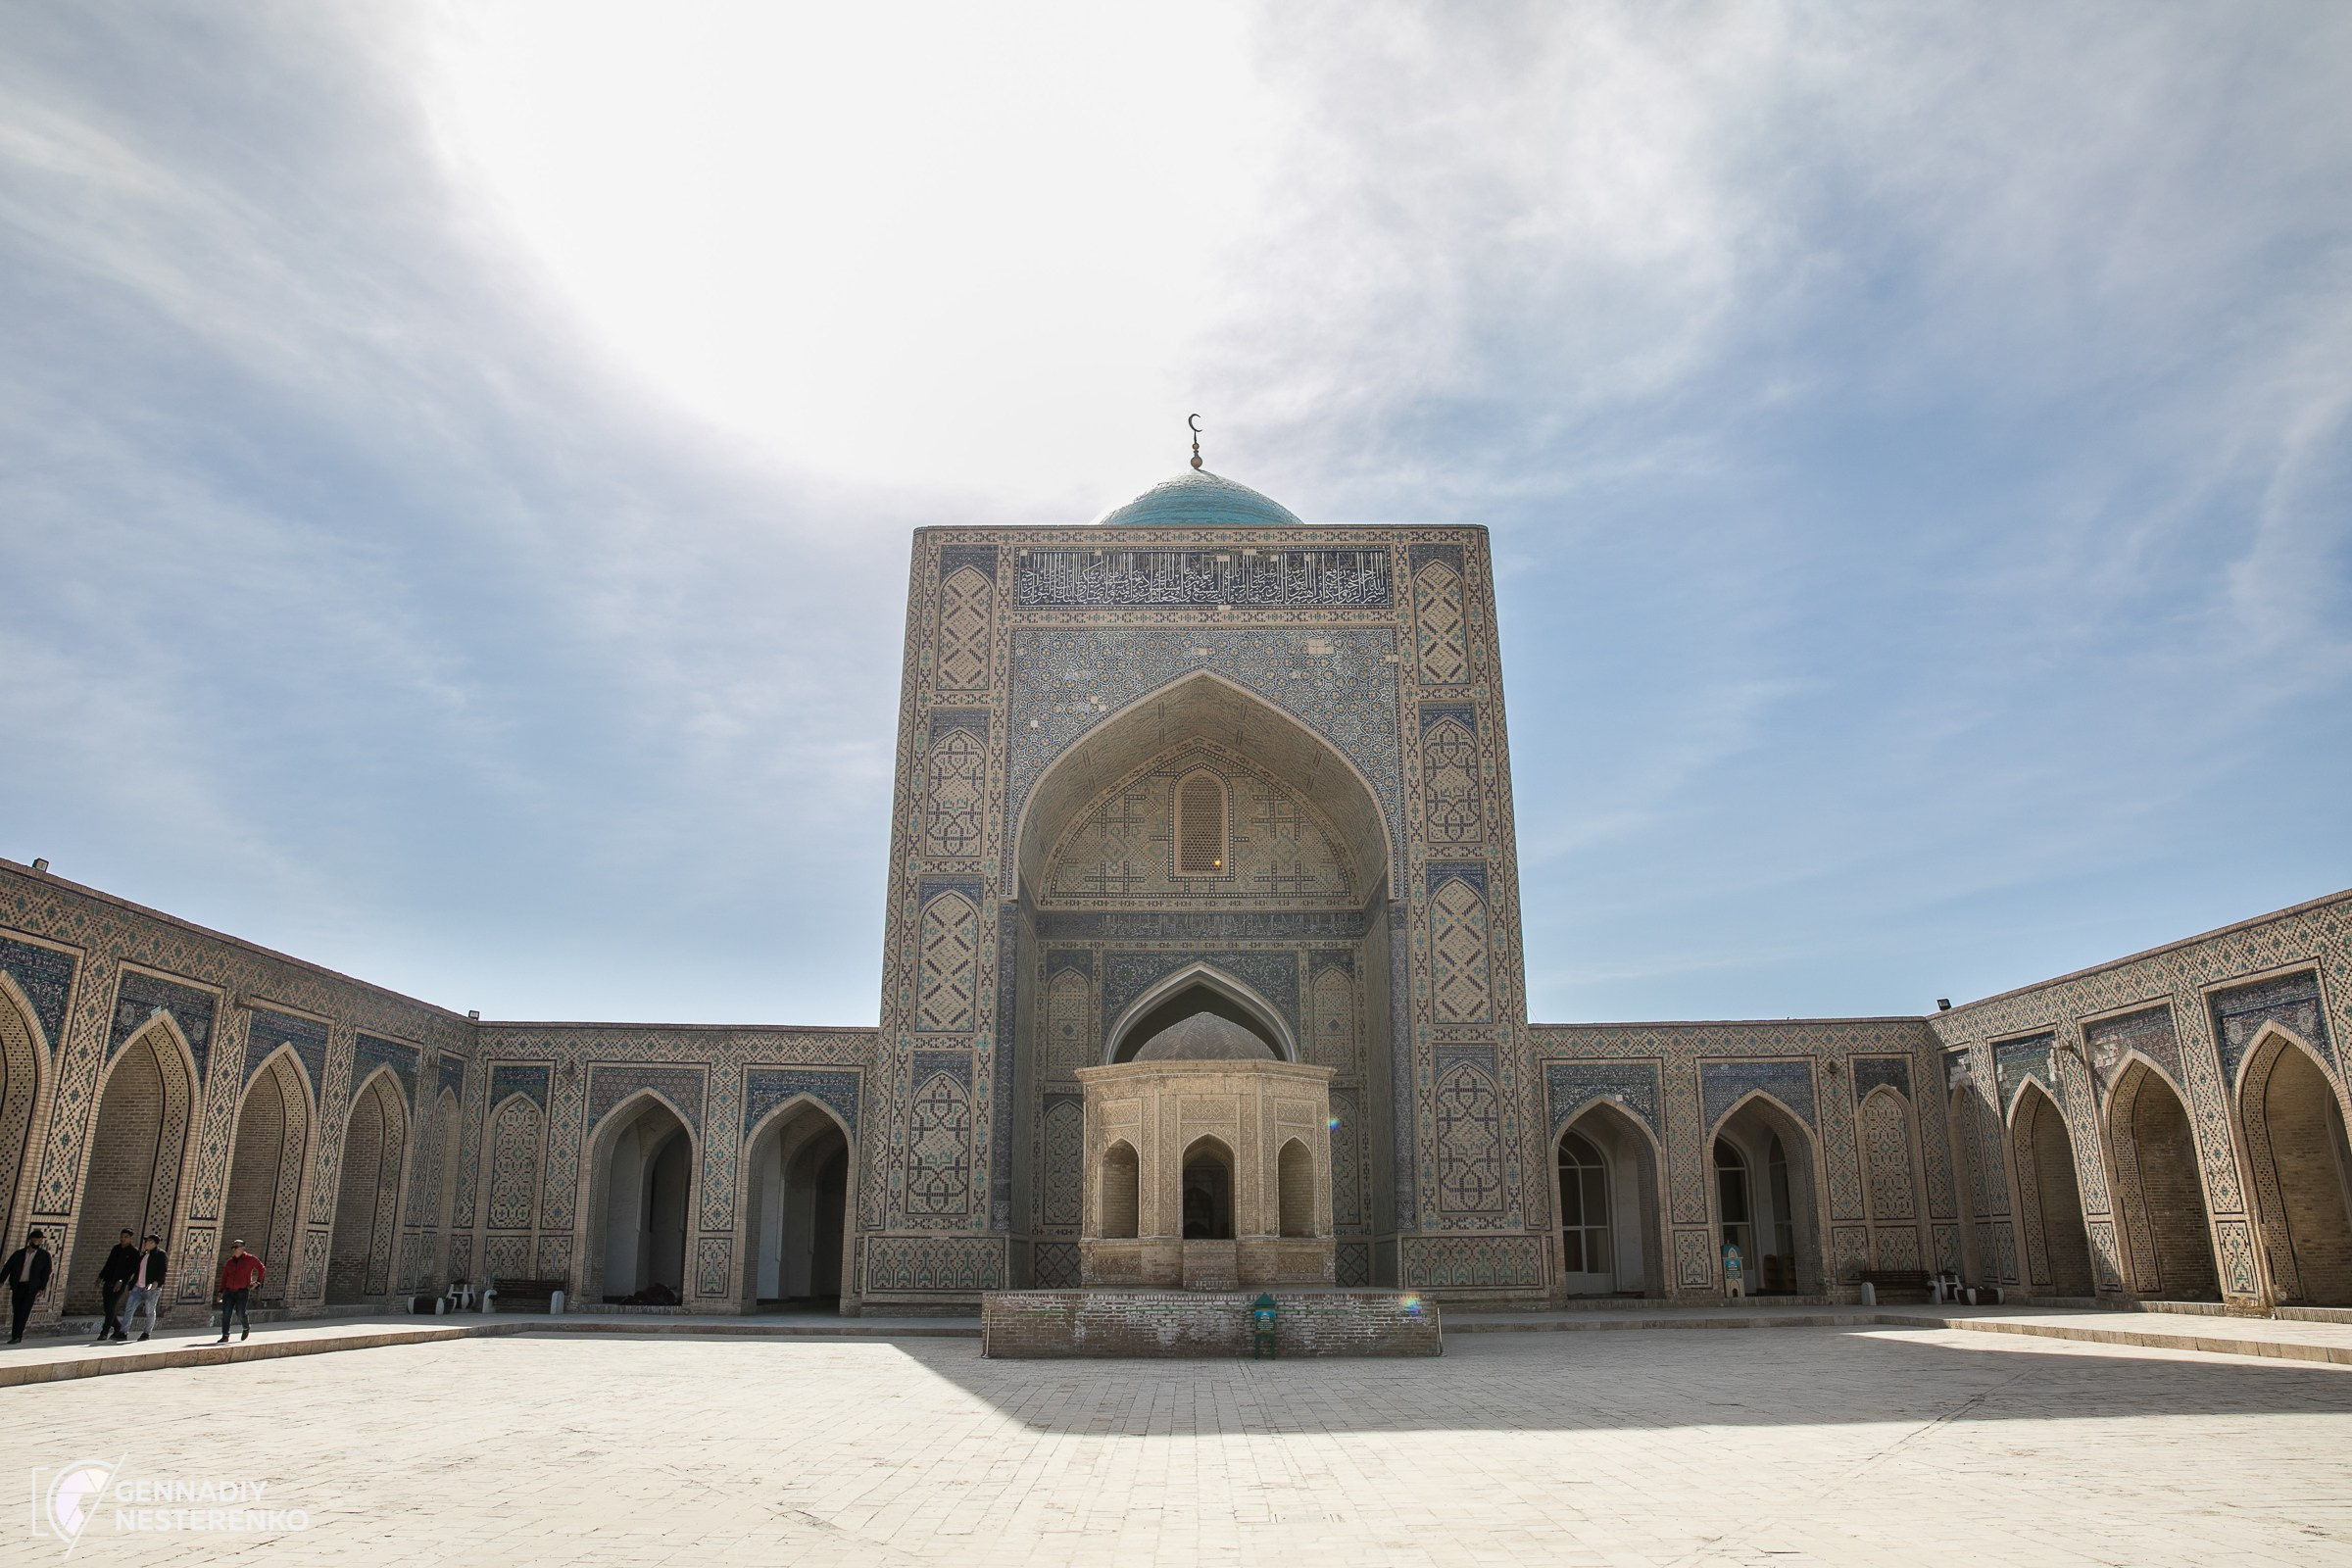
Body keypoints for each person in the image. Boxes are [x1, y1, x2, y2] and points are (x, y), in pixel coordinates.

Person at [3, 1229, 52, 1344]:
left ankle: (17, 1336)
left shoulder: (44, 1256)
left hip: (31, 1288)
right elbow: (8, 1267)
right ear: (31, 1239)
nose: (38, 1241)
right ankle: (15, 1334)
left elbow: (46, 1272)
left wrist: (42, 1287)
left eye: (40, 1239)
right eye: (36, 1239)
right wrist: (2, 1280)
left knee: (24, 1311)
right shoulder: (19, 1254)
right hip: (18, 1285)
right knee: (17, 1310)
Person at [119, 1233, 169, 1342]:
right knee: (129, 1309)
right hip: (137, 1287)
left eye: (150, 1242)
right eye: (147, 1241)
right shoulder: (143, 1255)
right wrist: (132, 1284)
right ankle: (123, 1332)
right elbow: (137, 1271)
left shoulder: (160, 1254)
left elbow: (162, 1270)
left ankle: (146, 1333)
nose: (147, 1243)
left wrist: (157, 1282)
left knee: (149, 1311)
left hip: (151, 1288)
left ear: (155, 1244)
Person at [215, 1240, 265, 1344]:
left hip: (242, 1291)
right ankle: (225, 1335)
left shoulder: (250, 1259)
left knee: (240, 1312)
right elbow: (224, 1277)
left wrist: (258, 1282)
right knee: (226, 1313)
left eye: (236, 1247)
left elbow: (261, 1268)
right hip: (229, 1291)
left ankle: (246, 1327)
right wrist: (220, 1292)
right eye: (233, 1247)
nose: (234, 1250)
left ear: (242, 1248)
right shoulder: (229, 1262)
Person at [96, 1229, 139, 1343]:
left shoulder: (134, 1252)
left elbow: (131, 1270)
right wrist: (100, 1277)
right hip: (109, 1280)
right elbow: (109, 1264)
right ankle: (117, 1326)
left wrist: (122, 1280)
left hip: (119, 1284)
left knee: (111, 1306)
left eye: (125, 1237)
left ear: (130, 1238)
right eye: (122, 1236)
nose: (123, 1239)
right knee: (107, 1307)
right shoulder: (116, 1249)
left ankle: (104, 1332)